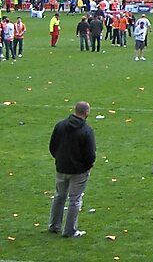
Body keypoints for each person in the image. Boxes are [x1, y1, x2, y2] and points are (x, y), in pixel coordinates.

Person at [48, 101, 96, 238]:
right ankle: (70, 230)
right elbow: (90, 154)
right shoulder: (86, 131)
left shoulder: (60, 126)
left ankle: (54, 225)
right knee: (75, 199)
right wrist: (87, 166)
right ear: (86, 112)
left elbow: (53, 146)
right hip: (79, 171)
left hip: (62, 167)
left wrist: (59, 159)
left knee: (59, 196)